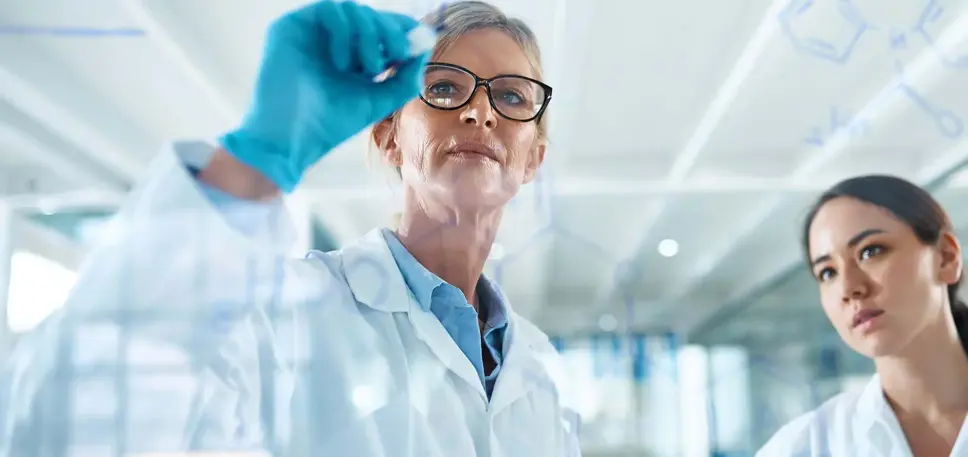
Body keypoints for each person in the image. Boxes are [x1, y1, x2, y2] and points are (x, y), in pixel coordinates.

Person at [0, 1, 580, 456]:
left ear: (534, 159)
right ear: (387, 135)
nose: (480, 112)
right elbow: (61, 427)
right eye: (445, 87)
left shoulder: (538, 365)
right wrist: (256, 159)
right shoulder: (288, 319)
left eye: (510, 96)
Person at [756, 175, 968, 457]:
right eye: (827, 272)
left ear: (946, 257)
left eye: (871, 251)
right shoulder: (807, 446)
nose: (849, 288)